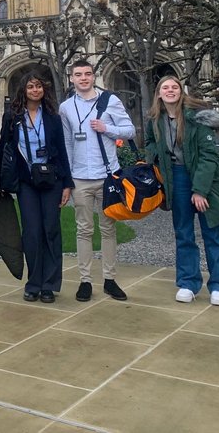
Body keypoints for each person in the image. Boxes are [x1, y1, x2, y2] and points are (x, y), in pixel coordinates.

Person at [144, 76, 219, 306]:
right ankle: (188, 282)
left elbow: (208, 156)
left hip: (204, 179)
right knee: (183, 233)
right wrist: (156, 156)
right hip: (176, 179)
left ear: (181, 91)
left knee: (212, 233)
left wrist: (200, 191)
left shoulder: (197, 117)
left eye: (174, 87)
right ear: (159, 93)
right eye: (165, 87)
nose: (170, 90)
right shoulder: (155, 118)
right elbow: (149, 142)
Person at [59, 61, 135, 303]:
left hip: (107, 175)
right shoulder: (66, 107)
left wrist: (107, 128)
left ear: (94, 76)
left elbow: (130, 130)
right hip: (80, 178)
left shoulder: (110, 100)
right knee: (83, 230)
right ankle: (85, 281)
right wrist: (67, 179)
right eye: (78, 75)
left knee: (108, 228)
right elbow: (67, 142)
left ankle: (110, 279)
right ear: (71, 78)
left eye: (87, 74)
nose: (83, 78)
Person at [0, 72, 73, 303]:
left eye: (38, 86)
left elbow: (61, 149)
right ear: (24, 90)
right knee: (31, 231)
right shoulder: (13, 116)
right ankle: (34, 282)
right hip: (26, 180)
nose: (35, 90)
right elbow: (4, 147)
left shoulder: (52, 116)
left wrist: (67, 183)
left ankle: (49, 284)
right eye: (31, 86)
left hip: (51, 178)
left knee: (51, 229)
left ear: (44, 90)